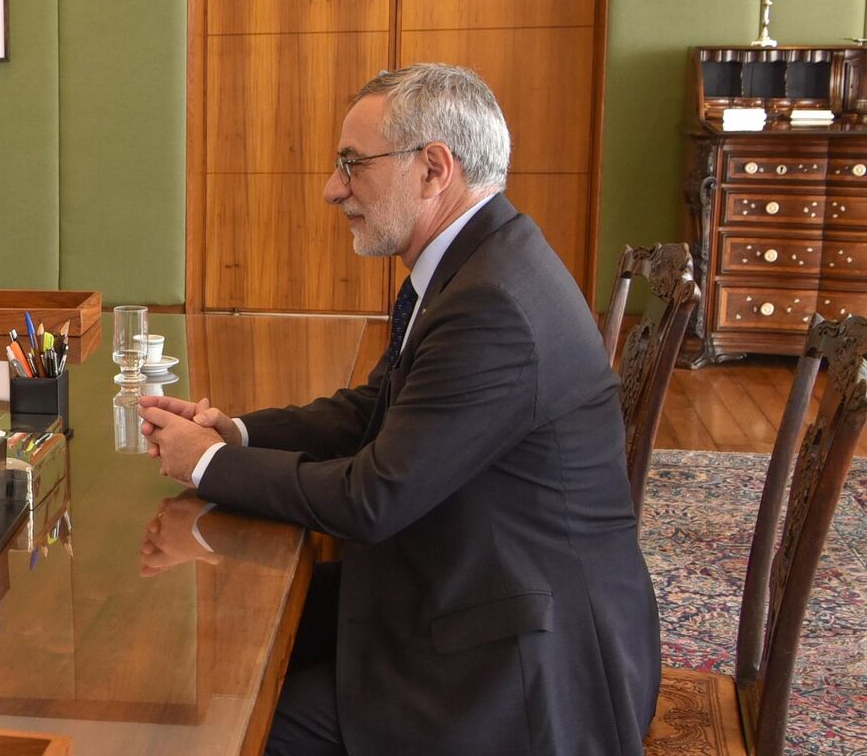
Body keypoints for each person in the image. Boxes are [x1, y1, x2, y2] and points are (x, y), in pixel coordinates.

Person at [138, 64, 659, 754]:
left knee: (237, 725)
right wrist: (235, 429)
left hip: (523, 670)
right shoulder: (471, 263)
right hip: (470, 590)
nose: (333, 189)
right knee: (228, 651)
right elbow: (374, 411)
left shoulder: (491, 304)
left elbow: (373, 497)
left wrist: (208, 464)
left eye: (352, 165)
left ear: (434, 167)